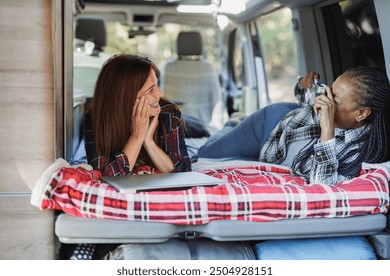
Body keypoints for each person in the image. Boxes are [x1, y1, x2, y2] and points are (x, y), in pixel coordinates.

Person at [198, 66, 390, 185]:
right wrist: (303, 84)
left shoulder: (362, 152)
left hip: (271, 158)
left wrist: (327, 131)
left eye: (335, 99)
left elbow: (323, 186)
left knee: (224, 165)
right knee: (204, 155)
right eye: (329, 90)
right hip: (271, 124)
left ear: (362, 113)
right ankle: (232, 124)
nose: (325, 98)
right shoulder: (328, 99)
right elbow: (305, 95)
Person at [84, 54, 191, 176]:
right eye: (150, 90)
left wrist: (148, 142)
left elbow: (183, 170)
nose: (160, 93)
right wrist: (137, 136)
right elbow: (105, 175)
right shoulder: (95, 118)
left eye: (157, 85)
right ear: (125, 98)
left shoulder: (169, 113)